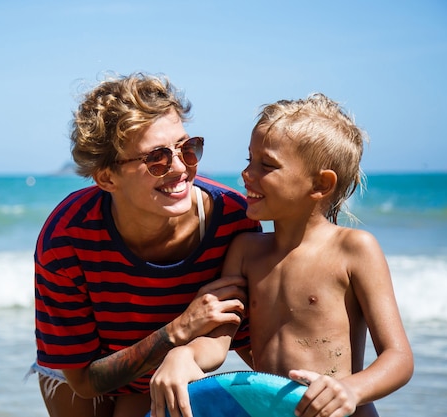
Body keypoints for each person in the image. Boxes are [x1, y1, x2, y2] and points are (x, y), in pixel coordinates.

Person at [149, 93, 414, 417]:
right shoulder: (246, 251)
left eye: (267, 165)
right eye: (249, 160)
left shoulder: (354, 249)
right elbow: (218, 343)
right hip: (266, 410)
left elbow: (399, 358)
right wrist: (184, 355)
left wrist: (350, 390)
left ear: (320, 183)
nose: (248, 174)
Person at [29, 72, 261, 417]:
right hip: (88, 368)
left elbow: (255, 345)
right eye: (157, 158)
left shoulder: (232, 220)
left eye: (188, 147)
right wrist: (179, 328)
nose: (181, 167)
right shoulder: (66, 238)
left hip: (172, 369)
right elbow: (82, 380)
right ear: (107, 177)